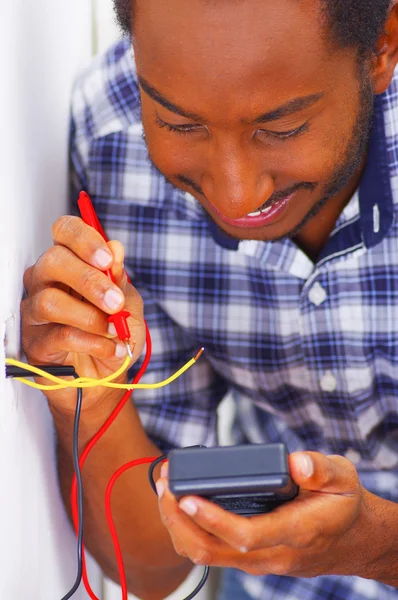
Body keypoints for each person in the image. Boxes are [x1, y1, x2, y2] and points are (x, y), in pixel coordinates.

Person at [20, 0, 398, 598]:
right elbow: (153, 568)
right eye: (179, 124)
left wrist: (377, 545)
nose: (236, 193)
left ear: (382, 46)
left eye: (280, 129)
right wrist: (90, 400)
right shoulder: (113, 140)